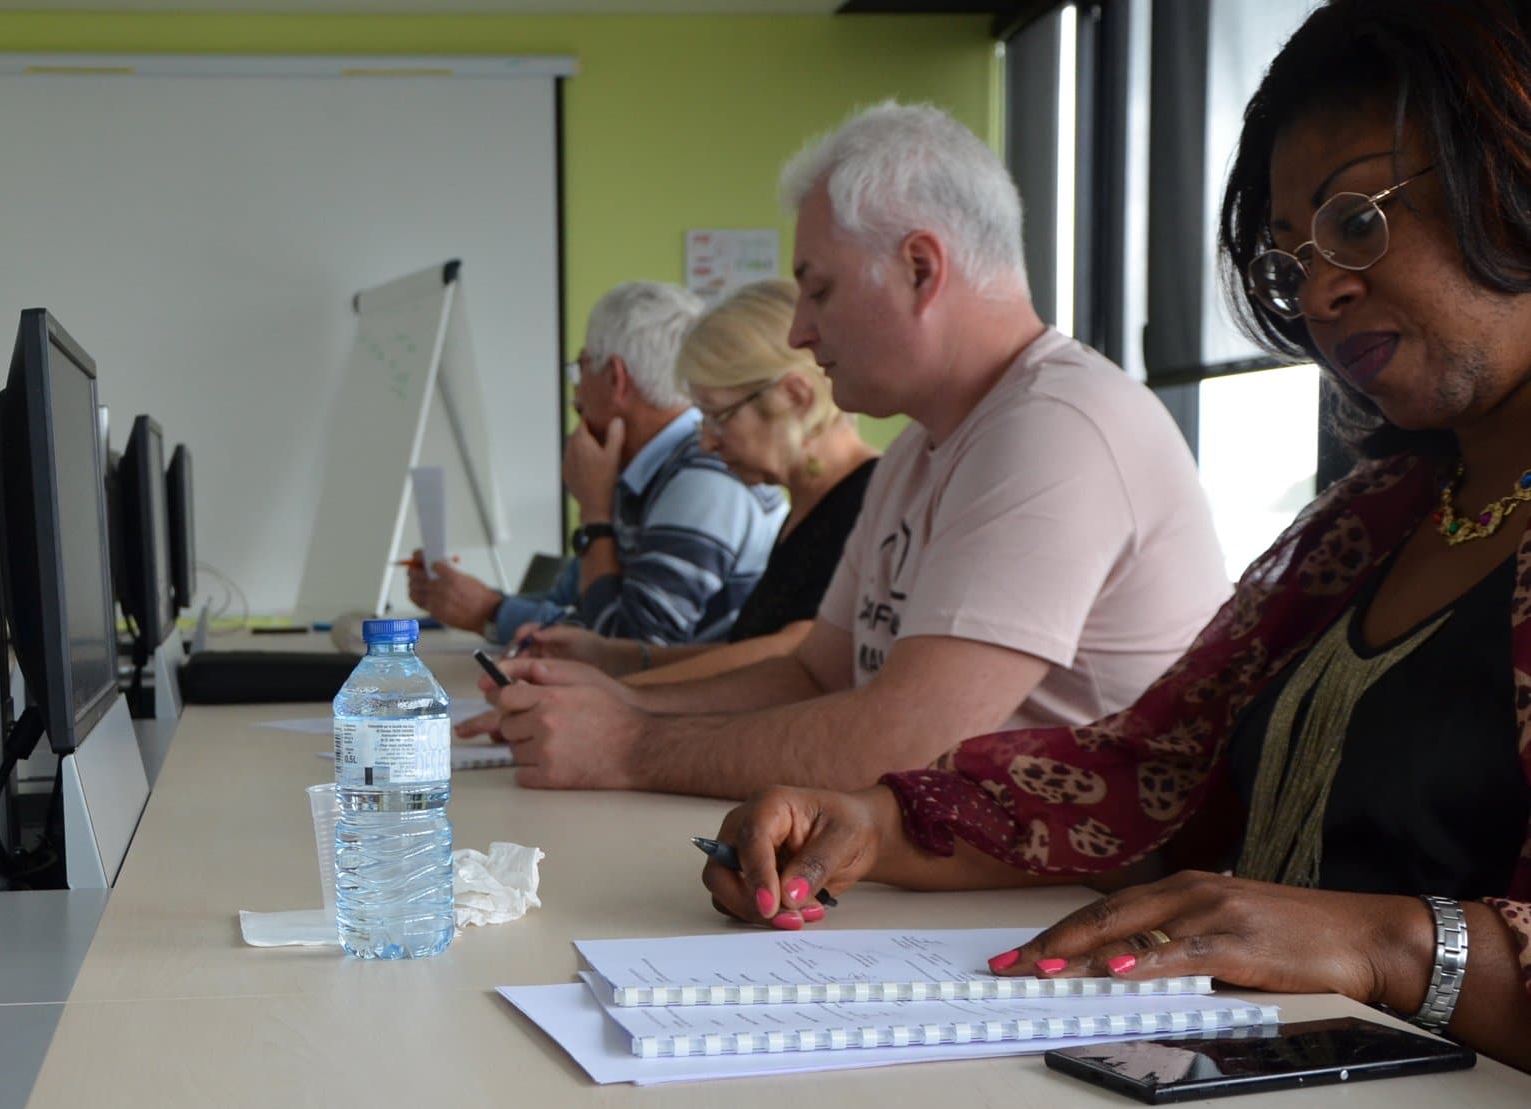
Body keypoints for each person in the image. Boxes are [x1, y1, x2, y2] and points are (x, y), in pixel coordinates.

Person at [701, 0, 1531, 1069]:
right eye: (1290, 259)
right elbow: (1145, 771)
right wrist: (870, 822)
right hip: (1268, 1091)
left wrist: (1386, 943)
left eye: (1359, 221)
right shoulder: (1372, 520)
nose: (1322, 290)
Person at [465, 101, 1229, 797]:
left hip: (1073, 908)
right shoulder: (916, 452)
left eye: (818, 290)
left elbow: (907, 739)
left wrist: (631, 747)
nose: (800, 330)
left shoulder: (1058, 427)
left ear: (921, 270)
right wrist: (621, 703)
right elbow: (811, 674)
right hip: (980, 884)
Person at [513, 278, 880, 686]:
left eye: (718, 416)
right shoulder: (809, 504)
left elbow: (792, 658)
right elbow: (753, 653)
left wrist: (614, 692)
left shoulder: (867, 502)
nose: (705, 442)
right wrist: (612, 659)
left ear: (795, 397)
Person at [408, 281, 785, 647]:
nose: (576, 391)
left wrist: (594, 514)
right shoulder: (644, 469)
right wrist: (478, 603)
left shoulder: (703, 478)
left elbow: (626, 645)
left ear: (616, 379)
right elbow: (575, 609)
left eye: (581, 367)